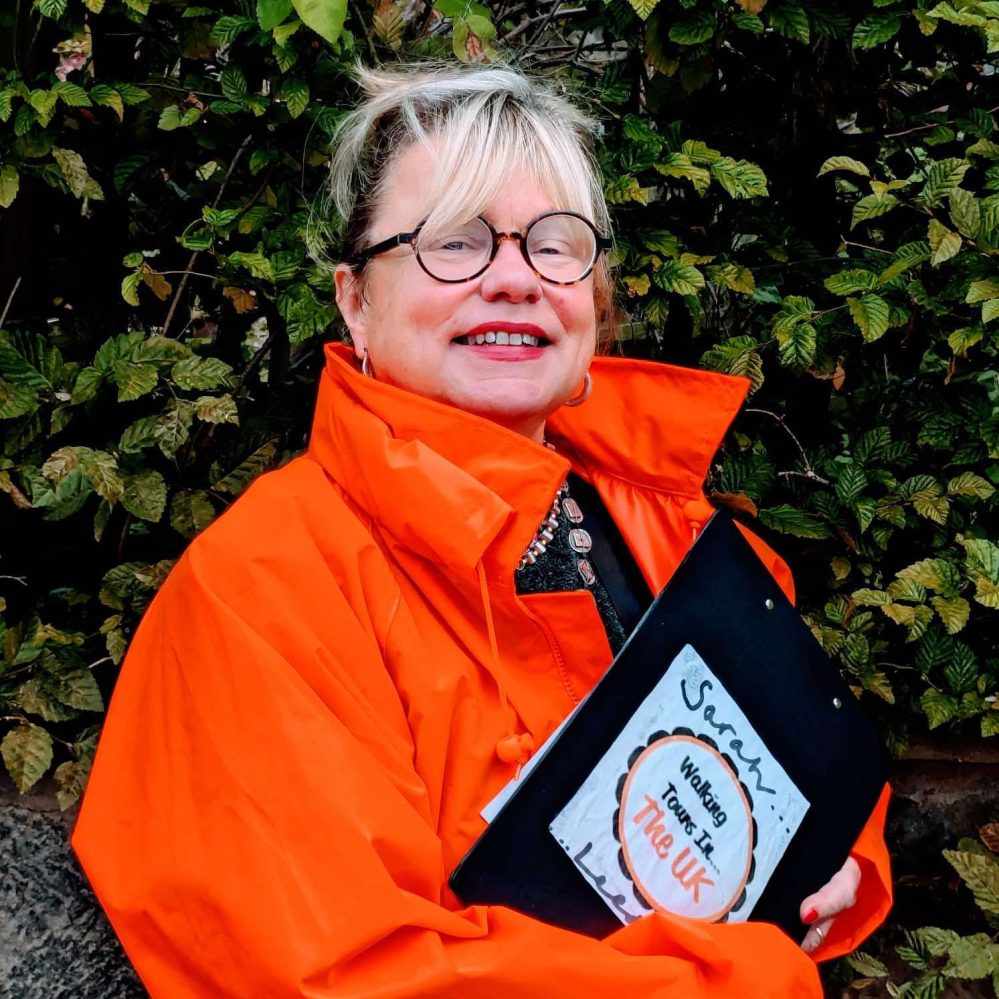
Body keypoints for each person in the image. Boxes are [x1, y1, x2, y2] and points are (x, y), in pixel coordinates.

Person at [72, 62, 891, 997]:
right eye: (453, 243)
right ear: (353, 298)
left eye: (554, 244)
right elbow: (343, 978)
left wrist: (836, 864)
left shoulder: (677, 534)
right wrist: (751, 979)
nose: (514, 279)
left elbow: (808, 760)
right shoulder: (254, 591)